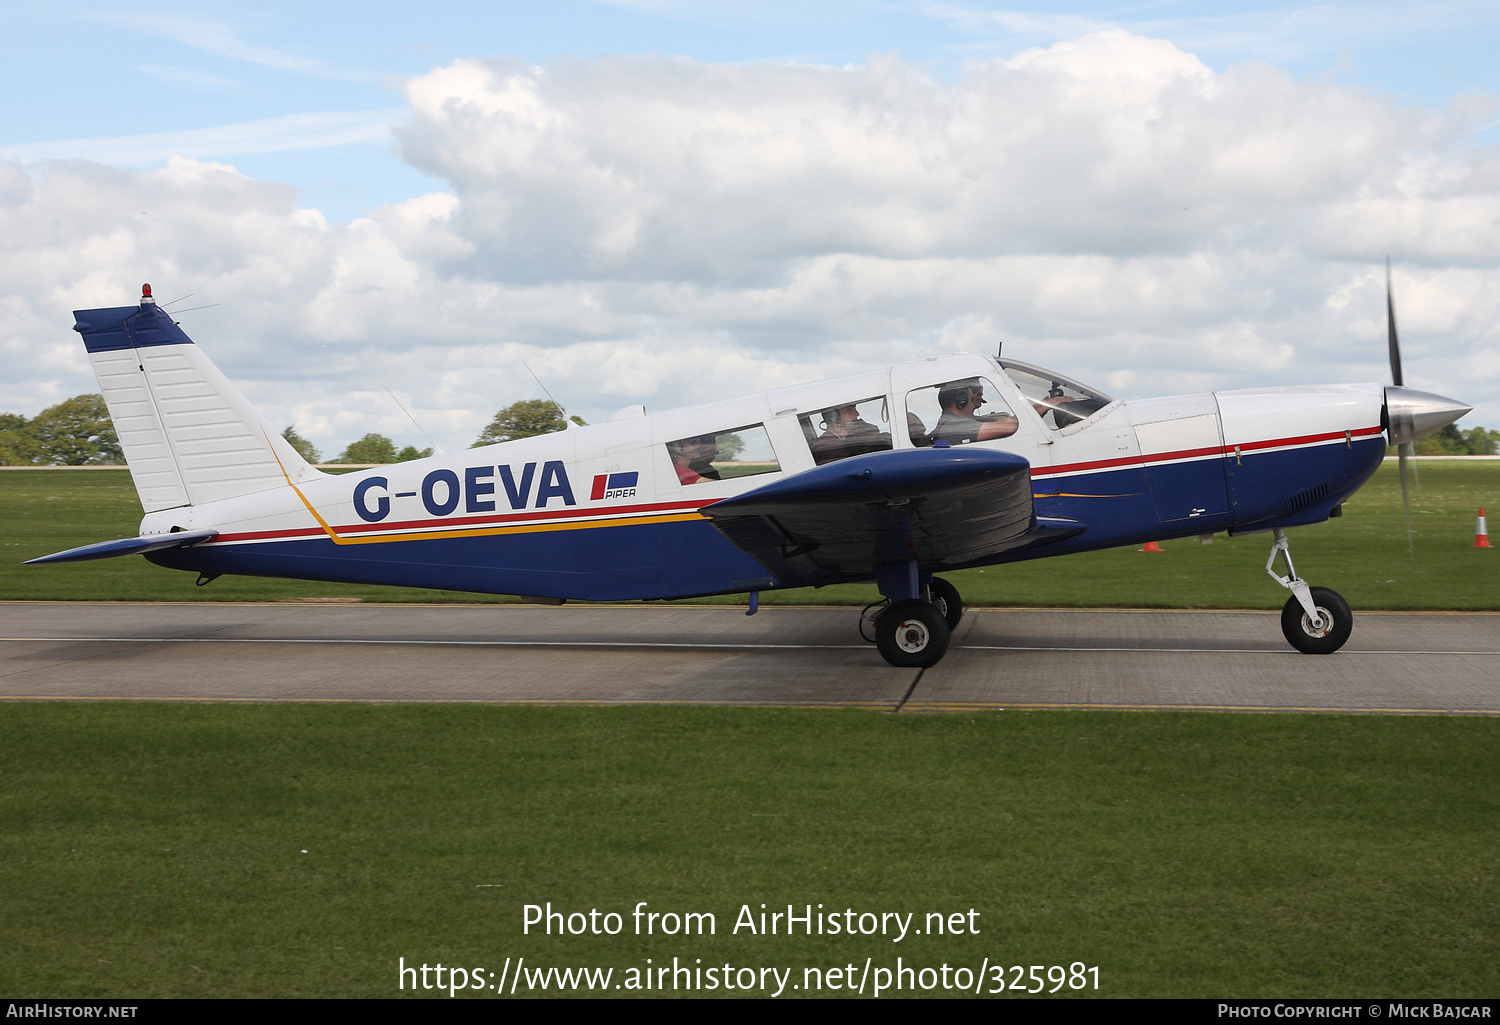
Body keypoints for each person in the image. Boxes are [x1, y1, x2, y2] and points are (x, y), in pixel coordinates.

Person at [931, 379, 1018, 445]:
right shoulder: (954, 426)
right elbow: (1009, 426)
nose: (974, 397)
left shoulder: (962, 421)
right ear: (962, 399)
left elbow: (1006, 421)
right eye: (971, 395)